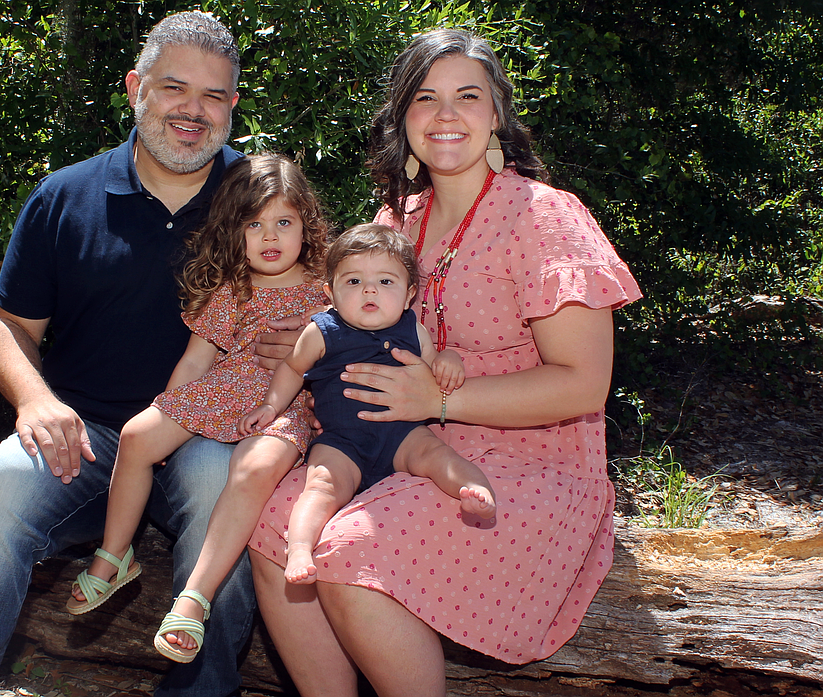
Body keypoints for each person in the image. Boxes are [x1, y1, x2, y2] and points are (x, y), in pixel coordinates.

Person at [246, 28, 642, 697]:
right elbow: (357, 336)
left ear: (497, 115)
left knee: (348, 552)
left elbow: (584, 383)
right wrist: (304, 345)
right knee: (273, 523)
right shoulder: (397, 220)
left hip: (530, 464)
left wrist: (439, 401)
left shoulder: (545, 217)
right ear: (404, 120)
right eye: (425, 98)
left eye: (468, 96)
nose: (446, 114)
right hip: (403, 444)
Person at [0, 12, 258, 697]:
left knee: (228, 489)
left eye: (214, 96)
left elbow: (322, 304)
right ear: (135, 88)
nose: (193, 111)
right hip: (86, 437)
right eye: (172, 89)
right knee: (1, 488)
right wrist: (36, 399)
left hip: (208, 432)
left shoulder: (263, 201)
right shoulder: (65, 196)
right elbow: (4, 325)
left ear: (234, 107)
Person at [66, 154, 329, 664]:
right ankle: (116, 554)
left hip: (285, 403)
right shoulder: (233, 288)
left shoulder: (326, 294)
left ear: (306, 226)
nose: (270, 237)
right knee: (137, 434)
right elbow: (195, 362)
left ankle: (195, 596)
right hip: (226, 387)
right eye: (254, 225)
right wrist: (169, 417)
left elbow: (338, 362)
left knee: (253, 469)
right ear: (234, 232)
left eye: (283, 222)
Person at [239, 223, 495, 585]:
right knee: (322, 486)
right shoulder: (321, 331)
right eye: (354, 282)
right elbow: (293, 368)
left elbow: (432, 367)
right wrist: (270, 406)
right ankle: (298, 547)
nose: (370, 290)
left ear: (409, 295)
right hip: (342, 440)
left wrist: (448, 359)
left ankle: (476, 491)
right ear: (331, 292)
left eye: (386, 282)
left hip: (403, 435)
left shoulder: (414, 330)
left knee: (441, 458)